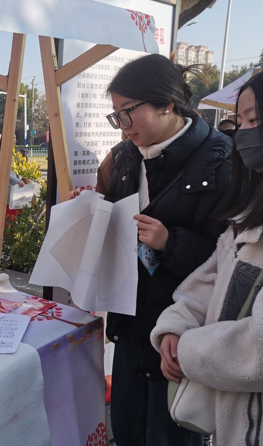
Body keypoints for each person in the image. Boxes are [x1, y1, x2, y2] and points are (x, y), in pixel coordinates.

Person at [104, 54, 232, 446]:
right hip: (130, 323)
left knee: (171, 431)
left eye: (128, 112)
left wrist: (169, 242)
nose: (123, 125)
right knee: (127, 428)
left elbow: (230, 262)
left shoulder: (221, 161)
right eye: (116, 116)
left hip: (180, 333)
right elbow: (116, 218)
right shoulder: (126, 156)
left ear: (167, 103)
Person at [152, 71, 263, 446]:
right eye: (241, 122)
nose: (244, 134)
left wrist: (188, 349)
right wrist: (175, 325)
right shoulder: (248, 210)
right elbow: (213, 278)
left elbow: (258, 346)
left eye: (254, 120)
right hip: (234, 421)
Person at [0, 138, 32, 218]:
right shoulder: (3, 154)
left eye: (15, 138)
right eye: (13, 138)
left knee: (10, 215)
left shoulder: (9, 153)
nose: (15, 140)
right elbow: (4, 171)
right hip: (7, 190)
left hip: (10, 190)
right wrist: (17, 181)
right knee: (8, 216)